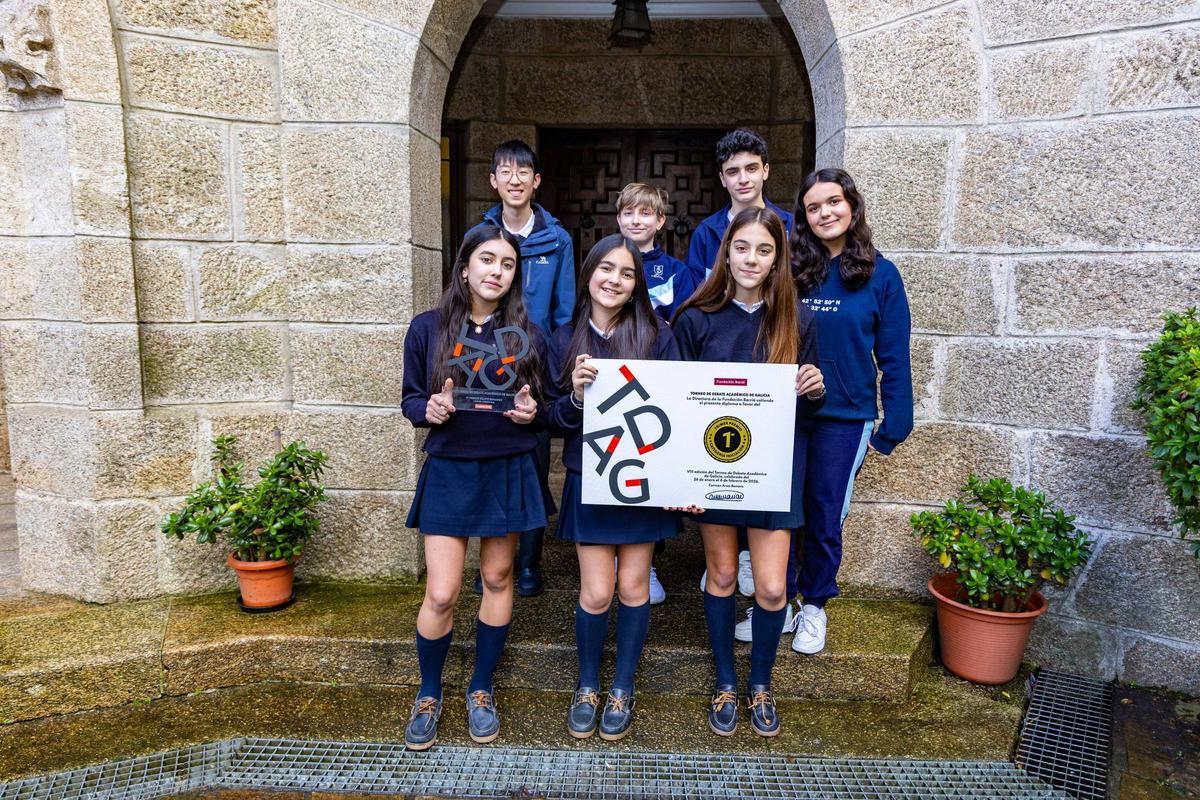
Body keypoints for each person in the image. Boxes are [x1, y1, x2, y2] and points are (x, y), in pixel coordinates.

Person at [672, 207, 824, 738]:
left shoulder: (798, 321)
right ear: (726, 252)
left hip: (771, 473)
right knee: (718, 575)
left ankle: (761, 683)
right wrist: (681, 478)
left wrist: (813, 390)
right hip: (713, 469)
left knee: (771, 587)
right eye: (742, 248)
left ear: (778, 257)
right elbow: (677, 405)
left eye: (764, 250)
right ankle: (726, 682)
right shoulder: (695, 319)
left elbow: (807, 414)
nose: (752, 259)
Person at [400, 225, 552, 751]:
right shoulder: (426, 329)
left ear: (514, 277)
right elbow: (410, 401)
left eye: (507, 264)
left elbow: (546, 409)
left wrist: (533, 414)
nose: (496, 271)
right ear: (464, 267)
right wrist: (430, 409)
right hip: (451, 467)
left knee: (498, 575)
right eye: (487, 260)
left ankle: (481, 688)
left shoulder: (530, 336)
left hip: (507, 465)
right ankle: (428, 691)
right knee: (441, 591)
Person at [546, 234, 682, 741]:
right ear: (588, 274)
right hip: (591, 478)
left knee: (632, 586)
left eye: (627, 274)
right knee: (597, 591)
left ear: (636, 285)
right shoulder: (562, 339)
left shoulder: (657, 336)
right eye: (606, 268)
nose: (614, 280)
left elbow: (677, 414)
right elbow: (549, 418)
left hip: (641, 480)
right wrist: (577, 397)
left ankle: (622, 687)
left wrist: (678, 478)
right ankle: (587, 684)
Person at [787, 167, 913, 655]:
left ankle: (814, 605)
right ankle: (780, 603)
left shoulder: (881, 274)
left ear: (851, 206)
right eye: (814, 207)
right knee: (781, 509)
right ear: (804, 217)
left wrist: (895, 422)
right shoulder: (792, 269)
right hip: (788, 413)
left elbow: (894, 355)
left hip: (845, 415)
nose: (825, 213)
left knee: (823, 511)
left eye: (833, 202)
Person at [466, 139, 575, 597]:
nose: (514, 180)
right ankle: (493, 562)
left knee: (531, 465)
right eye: (505, 172)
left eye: (523, 172)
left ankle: (528, 563)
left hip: (536, 367)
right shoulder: (482, 231)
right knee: (490, 463)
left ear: (536, 181)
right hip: (487, 365)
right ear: (493, 180)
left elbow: (565, 310)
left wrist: (557, 366)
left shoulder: (558, 237)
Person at [613, 182, 696, 605]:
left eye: (646, 214)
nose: (637, 221)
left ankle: (649, 564)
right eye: (629, 213)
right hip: (614, 386)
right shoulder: (606, 263)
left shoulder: (677, 273)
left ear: (660, 221)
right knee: (614, 466)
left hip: (658, 384)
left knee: (650, 470)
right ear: (619, 218)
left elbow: (680, 326)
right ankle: (613, 556)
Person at [685, 128, 794, 284]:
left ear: (765, 171)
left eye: (751, 169)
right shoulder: (706, 233)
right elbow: (695, 293)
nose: (743, 179)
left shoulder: (792, 226)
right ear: (723, 179)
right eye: (733, 172)